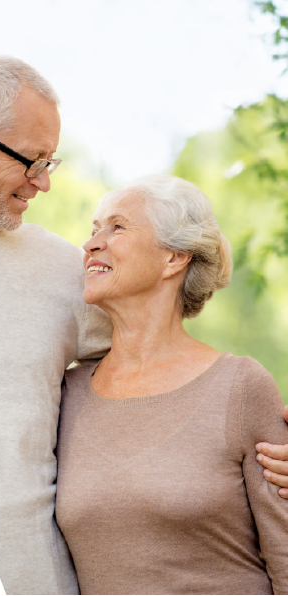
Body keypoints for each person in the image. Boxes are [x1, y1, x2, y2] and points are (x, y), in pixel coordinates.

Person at [0, 57, 288, 594]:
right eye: (31, 160)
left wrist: (268, 433)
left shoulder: (67, 274)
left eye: (52, 162)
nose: (43, 183)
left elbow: (180, 368)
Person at [56, 175, 288, 595]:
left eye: (117, 226)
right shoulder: (65, 393)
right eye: (93, 229)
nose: (91, 244)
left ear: (174, 258)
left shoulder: (240, 387)